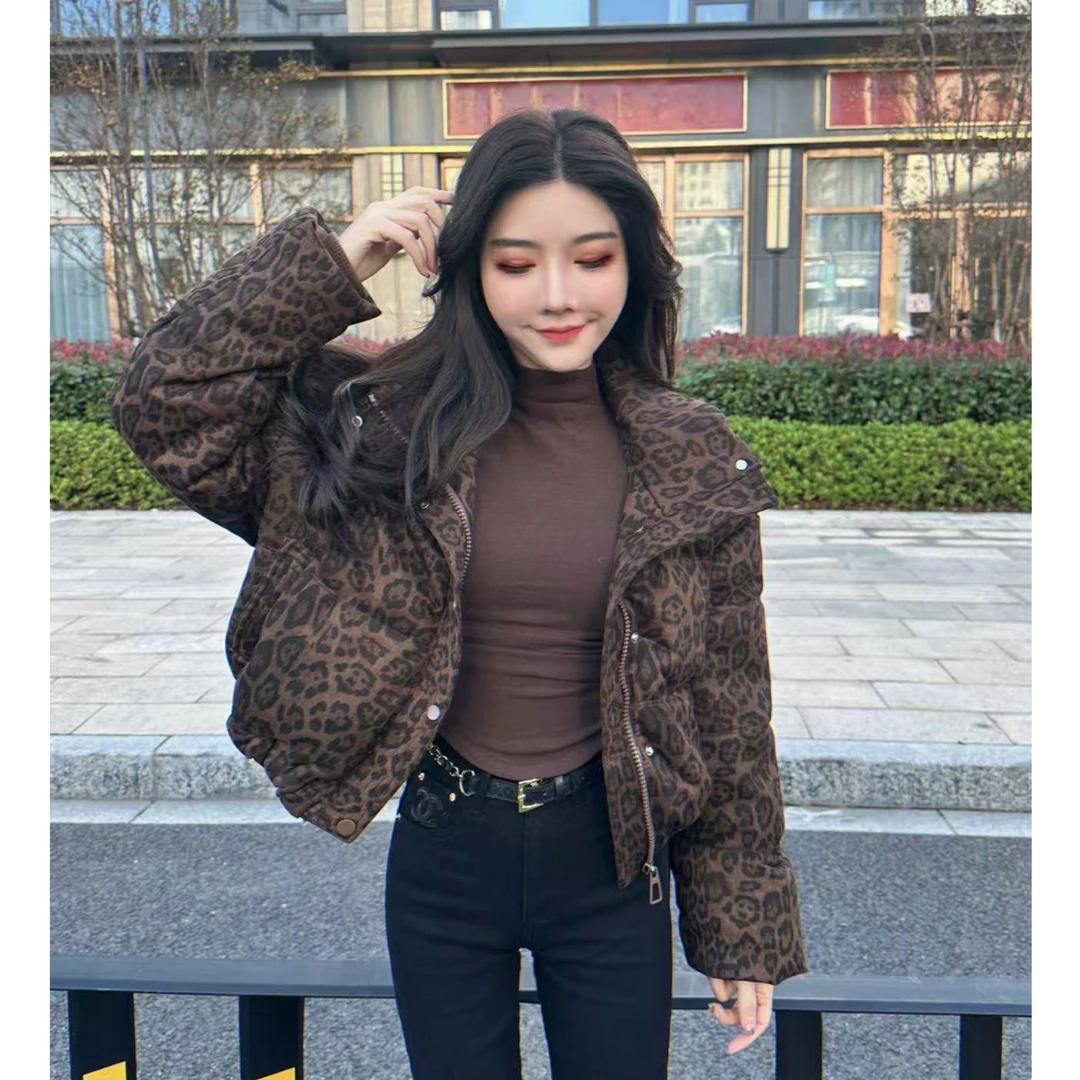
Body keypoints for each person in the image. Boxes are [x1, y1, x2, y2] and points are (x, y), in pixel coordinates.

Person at [109, 107, 808, 1079]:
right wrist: (334, 263)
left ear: (635, 265)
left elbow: (730, 701)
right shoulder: (382, 431)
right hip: (447, 849)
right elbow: (164, 402)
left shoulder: (689, 453)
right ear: (470, 267)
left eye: (593, 259)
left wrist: (743, 928)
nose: (558, 296)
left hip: (615, 861)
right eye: (517, 263)